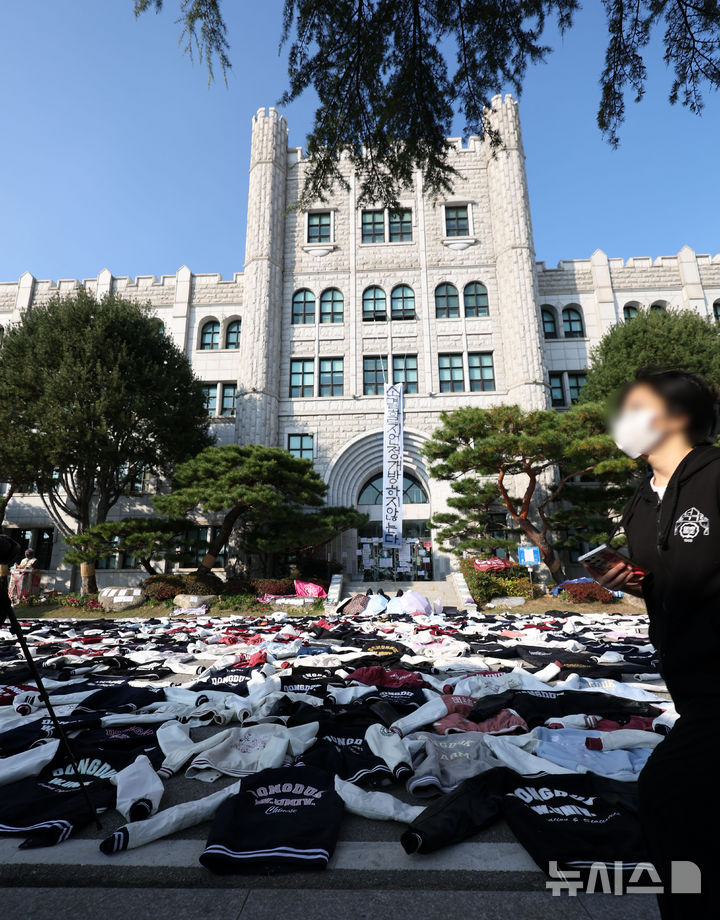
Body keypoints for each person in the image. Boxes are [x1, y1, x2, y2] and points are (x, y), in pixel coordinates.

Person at [585, 367, 720, 919]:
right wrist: (638, 582)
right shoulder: (641, 502)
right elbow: (672, 578)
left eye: (635, 407)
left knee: (667, 794)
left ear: (674, 417)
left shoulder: (715, 477)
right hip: (691, 679)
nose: (623, 420)